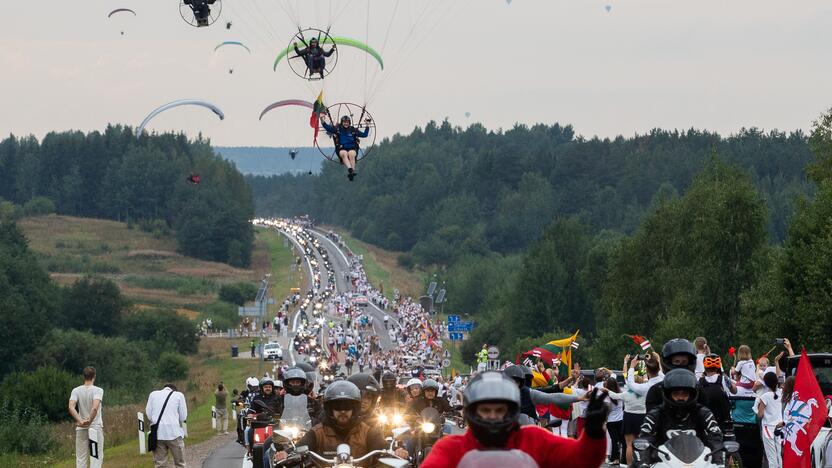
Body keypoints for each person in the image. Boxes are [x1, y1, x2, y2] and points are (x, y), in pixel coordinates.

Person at [421, 371, 608, 468]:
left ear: (511, 411)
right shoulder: (451, 447)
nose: (493, 415)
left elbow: (582, 460)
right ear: (472, 412)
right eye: (486, 410)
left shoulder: (535, 439)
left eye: (499, 410)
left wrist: (593, 433)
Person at [275, 381, 408, 462]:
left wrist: (397, 451)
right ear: (330, 409)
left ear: (355, 409)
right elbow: (300, 447)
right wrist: (285, 453)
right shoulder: (318, 432)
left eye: (347, 407)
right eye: (338, 407)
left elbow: (384, 448)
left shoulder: (367, 431)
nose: (343, 411)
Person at [635, 369, 723, 467]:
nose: (680, 398)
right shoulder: (655, 414)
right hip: (663, 463)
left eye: (685, 394)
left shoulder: (704, 412)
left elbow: (716, 438)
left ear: (692, 394)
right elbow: (644, 440)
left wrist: (719, 463)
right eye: (676, 393)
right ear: (667, 394)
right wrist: (643, 463)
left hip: (700, 463)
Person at [645, 338, 709, 411]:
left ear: (690, 362)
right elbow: (651, 417)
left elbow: (705, 415)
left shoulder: (698, 390)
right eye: (677, 361)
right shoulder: (656, 391)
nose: (680, 366)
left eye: (684, 362)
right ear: (668, 362)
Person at [146, 384, 188, 468]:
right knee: (180, 463)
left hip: (158, 434)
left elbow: (149, 415)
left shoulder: (153, 394)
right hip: (174, 433)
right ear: (174, 390)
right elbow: (183, 417)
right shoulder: (179, 395)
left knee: (160, 464)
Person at [69, 366, 103, 468]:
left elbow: (71, 407)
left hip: (81, 428)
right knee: (96, 456)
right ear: (94, 376)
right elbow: (95, 408)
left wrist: (80, 421)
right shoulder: (98, 390)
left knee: (81, 458)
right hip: (95, 426)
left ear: (84, 376)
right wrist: (89, 420)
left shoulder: (76, 390)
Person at [320, 115, 371, 181]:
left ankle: (352, 171)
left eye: (347, 122)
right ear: (342, 122)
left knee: (351, 154)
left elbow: (364, 135)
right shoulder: (338, 129)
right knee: (344, 153)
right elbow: (328, 128)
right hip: (341, 148)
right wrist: (322, 120)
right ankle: (350, 169)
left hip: (352, 148)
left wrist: (367, 125)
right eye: (344, 122)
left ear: (349, 123)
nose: (346, 123)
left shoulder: (353, 130)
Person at [698, 354, 736, 439]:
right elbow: (734, 390)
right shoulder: (724, 379)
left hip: (706, 421)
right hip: (724, 421)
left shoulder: (699, 382)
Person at [755, 372, 783, 468]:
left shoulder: (765, 396)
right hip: (780, 427)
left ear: (766, 383)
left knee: (771, 457)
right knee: (779, 454)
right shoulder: (781, 393)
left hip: (768, 428)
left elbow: (760, 414)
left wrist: (757, 409)